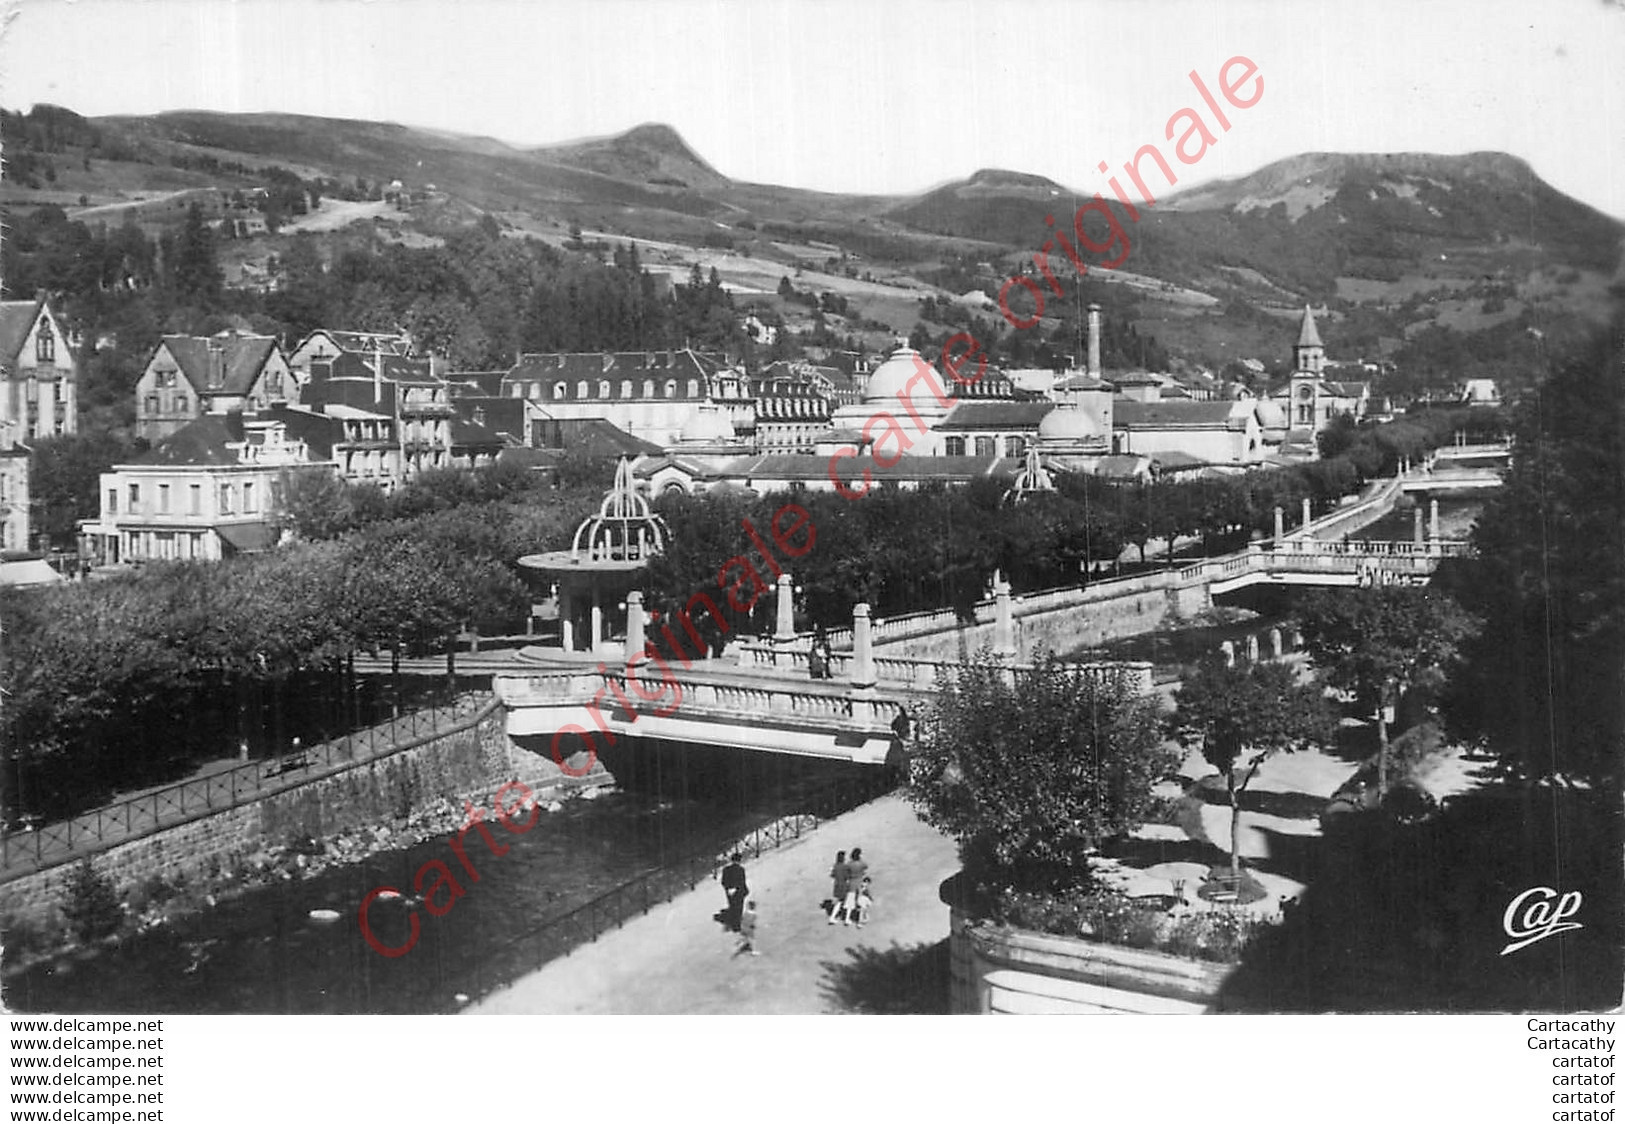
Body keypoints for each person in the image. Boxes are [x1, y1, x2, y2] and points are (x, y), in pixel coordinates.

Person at [720, 853, 749, 932]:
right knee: (739, 908)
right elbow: (742, 881)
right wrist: (745, 890)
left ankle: (734, 924)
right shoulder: (741, 869)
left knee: (733, 906)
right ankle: (737, 925)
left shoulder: (726, 869)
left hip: (730, 892)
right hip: (739, 891)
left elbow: (723, 881)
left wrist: (728, 889)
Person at [839, 847, 868, 925]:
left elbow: (846, 871)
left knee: (849, 902)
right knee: (861, 901)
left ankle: (847, 918)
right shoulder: (861, 863)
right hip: (859, 883)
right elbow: (865, 867)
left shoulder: (849, 864)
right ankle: (860, 920)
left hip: (851, 883)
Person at [826, 850, 850, 924]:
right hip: (844, 885)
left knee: (839, 902)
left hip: (837, 885)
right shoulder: (845, 867)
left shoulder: (835, 866)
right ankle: (846, 918)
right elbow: (847, 876)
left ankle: (833, 917)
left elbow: (832, 875)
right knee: (848, 902)